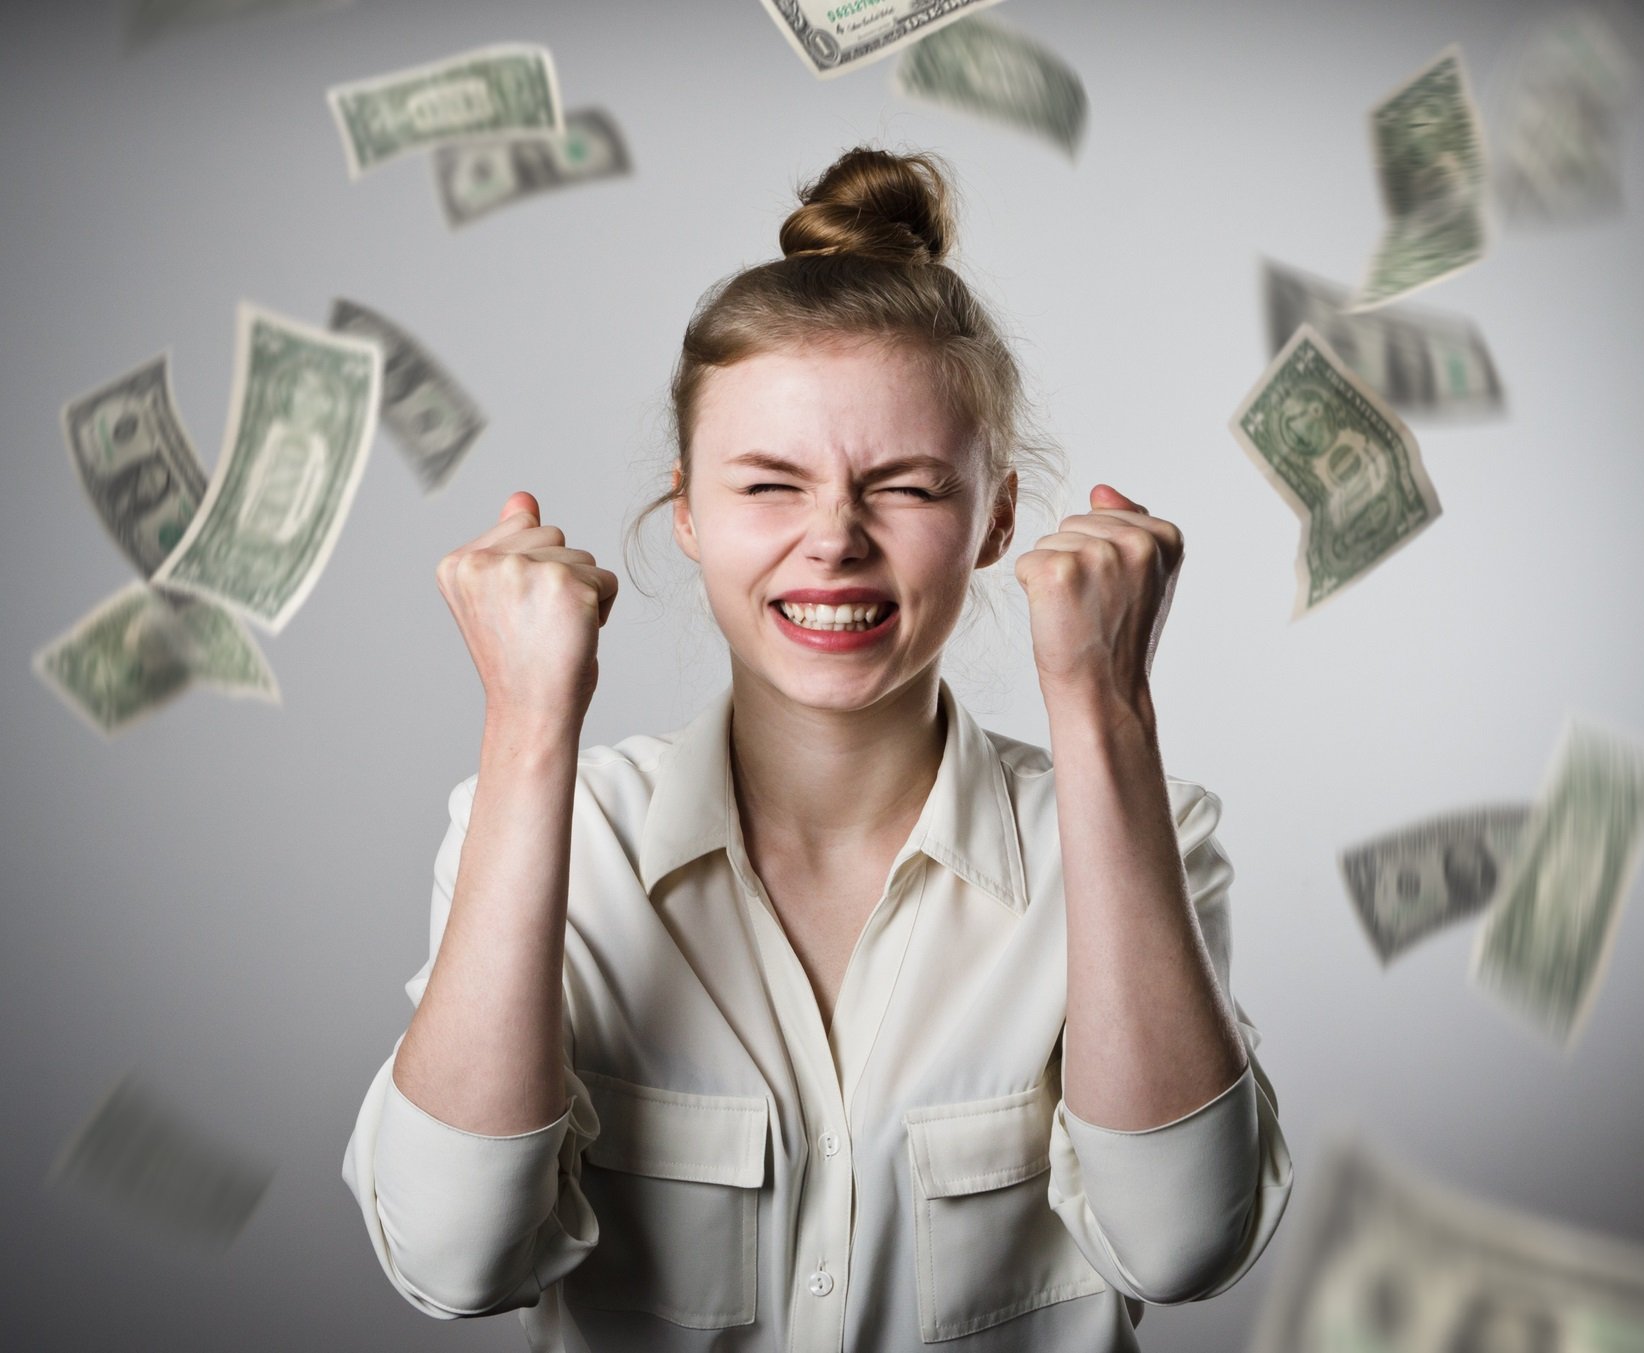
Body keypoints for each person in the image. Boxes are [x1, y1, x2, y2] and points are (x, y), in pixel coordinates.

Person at [342, 145, 1292, 1352]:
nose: (833, 541)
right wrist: (528, 727)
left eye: (903, 487)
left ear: (996, 516)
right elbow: (454, 1258)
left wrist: (1103, 709)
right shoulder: (558, 836)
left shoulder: (1127, 836)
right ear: (685, 509)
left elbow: (1183, 1245)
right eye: (769, 486)